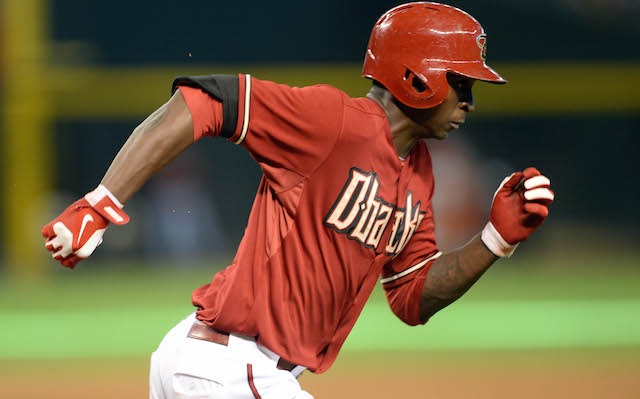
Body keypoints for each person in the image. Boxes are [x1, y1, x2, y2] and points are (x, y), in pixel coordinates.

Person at [42, 2, 554, 398]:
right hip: (229, 369)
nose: (469, 101)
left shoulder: (418, 172)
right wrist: (99, 204)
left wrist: (493, 241)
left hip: (229, 371)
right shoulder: (333, 121)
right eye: (460, 83)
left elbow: (412, 297)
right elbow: (201, 100)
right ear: (417, 78)